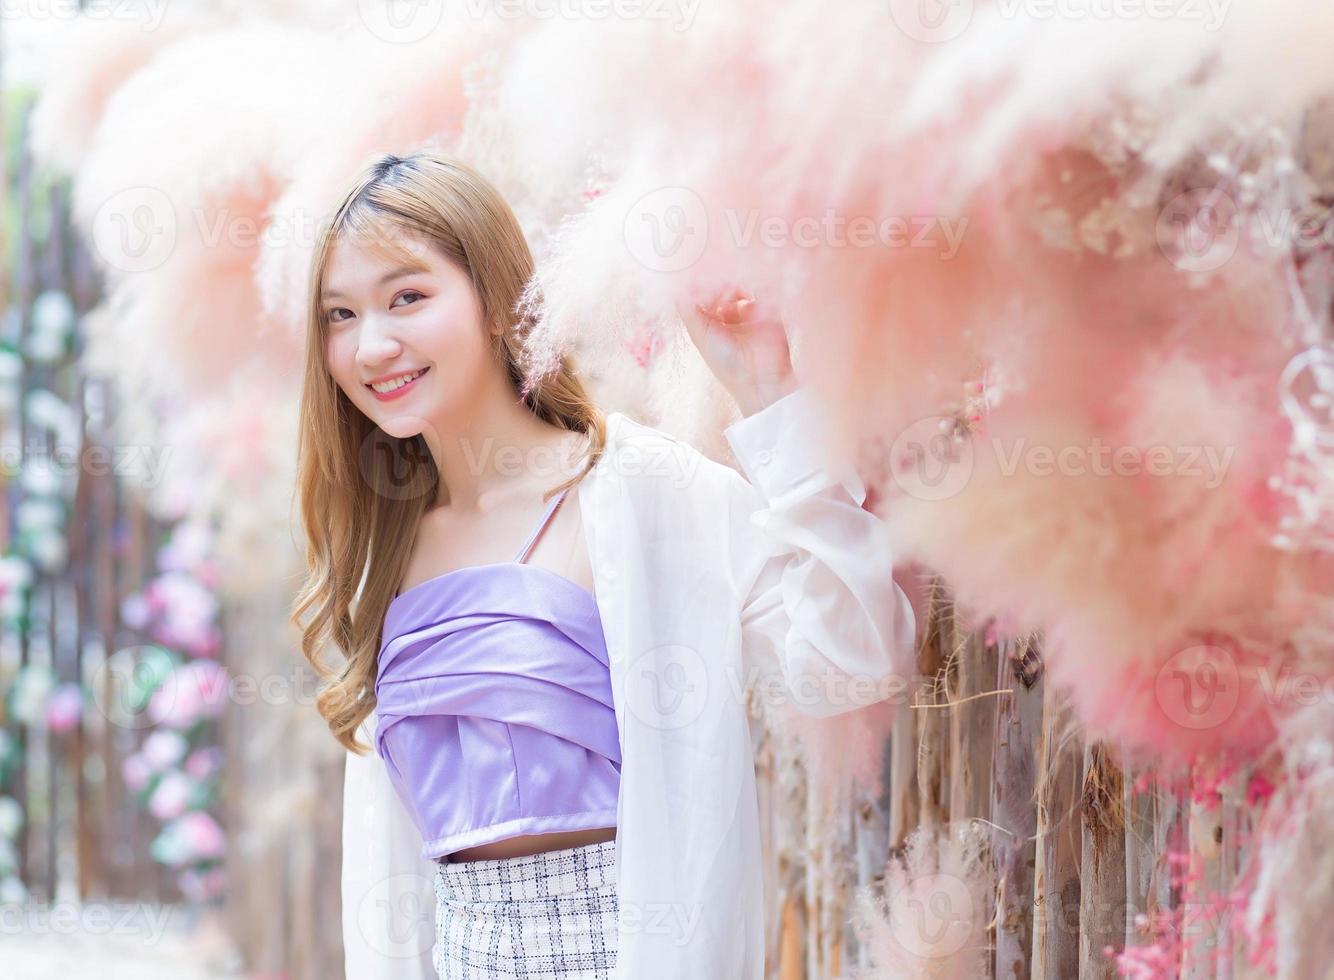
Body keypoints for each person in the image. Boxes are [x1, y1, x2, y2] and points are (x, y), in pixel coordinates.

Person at [292, 151, 917, 979]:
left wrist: (772, 397)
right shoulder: (386, 544)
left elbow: (855, 668)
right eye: (339, 315)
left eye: (408, 296)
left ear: (492, 299)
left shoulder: (646, 494)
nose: (372, 345)